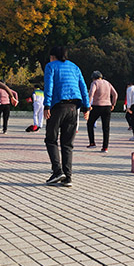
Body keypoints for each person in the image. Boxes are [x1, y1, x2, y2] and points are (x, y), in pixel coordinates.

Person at [43, 46, 90, 187]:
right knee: (67, 143)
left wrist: (47, 105)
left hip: (58, 106)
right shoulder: (75, 67)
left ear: (53, 56)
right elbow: (83, 87)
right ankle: (68, 177)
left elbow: (49, 85)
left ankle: (57, 171)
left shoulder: (50, 66)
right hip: (73, 108)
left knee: (51, 139)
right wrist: (86, 107)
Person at [86, 71, 118, 153]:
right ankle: (105, 147)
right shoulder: (107, 83)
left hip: (97, 106)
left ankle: (92, 143)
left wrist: (88, 104)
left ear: (93, 77)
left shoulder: (95, 83)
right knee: (106, 127)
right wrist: (113, 104)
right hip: (107, 106)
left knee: (90, 123)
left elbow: (91, 94)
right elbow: (115, 94)